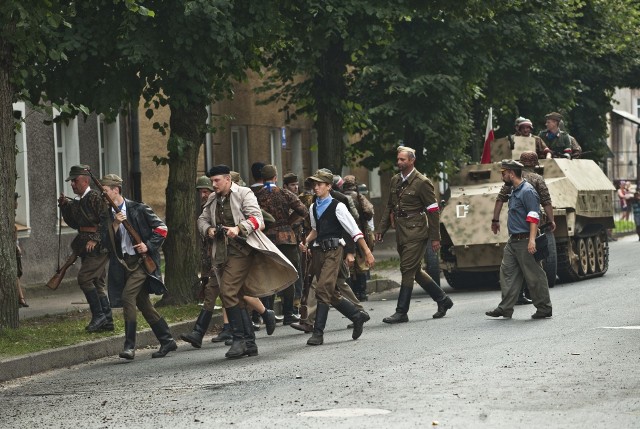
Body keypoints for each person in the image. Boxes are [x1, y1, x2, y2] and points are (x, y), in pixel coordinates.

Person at [197, 165, 298, 359]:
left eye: (217, 180)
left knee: (227, 290)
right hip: (222, 253)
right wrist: (208, 229)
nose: (213, 185)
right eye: (211, 181)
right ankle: (250, 343)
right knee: (239, 293)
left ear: (228, 179)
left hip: (243, 250)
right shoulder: (212, 199)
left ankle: (238, 340)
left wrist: (238, 228)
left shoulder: (244, 193)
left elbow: (258, 220)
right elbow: (201, 220)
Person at [100, 174, 177, 359]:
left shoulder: (138, 208)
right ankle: (167, 340)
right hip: (124, 264)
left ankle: (129, 346)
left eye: (105, 191)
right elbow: (105, 243)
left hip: (142, 263)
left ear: (115, 190)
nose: (103, 195)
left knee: (127, 297)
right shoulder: (107, 215)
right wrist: (116, 225)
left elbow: (161, 229)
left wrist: (147, 246)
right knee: (144, 304)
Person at [376, 146, 453, 323]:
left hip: (417, 231)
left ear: (412, 161)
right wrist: (381, 229)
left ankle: (401, 311)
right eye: (398, 159)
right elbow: (389, 206)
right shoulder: (395, 180)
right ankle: (443, 300)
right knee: (415, 270)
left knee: (407, 269)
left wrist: (435, 238)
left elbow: (433, 211)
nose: (399, 162)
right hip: (401, 231)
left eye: (403, 159)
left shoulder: (422, 182)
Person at [299, 169, 374, 346]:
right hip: (318, 252)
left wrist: (367, 252)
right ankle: (357, 316)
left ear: (328, 186)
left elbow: (354, 232)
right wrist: (307, 242)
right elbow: (316, 230)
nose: (315, 188)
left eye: (319, 185)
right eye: (314, 185)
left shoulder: (338, 206)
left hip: (334, 251)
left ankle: (318, 333)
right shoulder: (313, 206)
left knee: (322, 289)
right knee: (331, 293)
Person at [486, 160, 553, 319]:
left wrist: (532, 240)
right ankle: (505, 308)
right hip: (513, 241)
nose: (502, 176)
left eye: (504, 173)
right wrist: (495, 221)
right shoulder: (514, 190)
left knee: (534, 275)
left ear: (511, 173)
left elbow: (534, 216)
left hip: (525, 240)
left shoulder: (527, 191)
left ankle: (544, 308)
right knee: (507, 272)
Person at [57, 165, 112, 332]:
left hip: (99, 247)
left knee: (84, 278)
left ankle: (99, 316)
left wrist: (95, 239)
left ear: (85, 180)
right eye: (71, 181)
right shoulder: (78, 200)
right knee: (96, 282)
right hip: (84, 246)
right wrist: (65, 206)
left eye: (75, 180)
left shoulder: (95, 197)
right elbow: (75, 224)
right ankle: (107, 321)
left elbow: (107, 219)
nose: (72, 184)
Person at [256, 165, 309, 325]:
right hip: (287, 238)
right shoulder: (284, 193)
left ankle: (268, 313)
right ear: (275, 177)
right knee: (290, 274)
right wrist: (288, 221)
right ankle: (288, 313)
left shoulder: (257, 196)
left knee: (268, 275)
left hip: (267, 239)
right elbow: (303, 210)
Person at [342, 175, 375, 301]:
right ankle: (362, 292)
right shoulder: (360, 197)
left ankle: (352, 294)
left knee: (348, 265)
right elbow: (369, 212)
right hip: (359, 233)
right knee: (361, 264)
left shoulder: (340, 197)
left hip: (345, 234)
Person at [15, 193, 28, 308]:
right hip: (13, 250)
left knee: (17, 275)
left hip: (15, 249)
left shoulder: (12, 214)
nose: (17, 203)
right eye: (15, 200)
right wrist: (16, 246)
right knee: (15, 275)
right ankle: (20, 298)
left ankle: (20, 298)